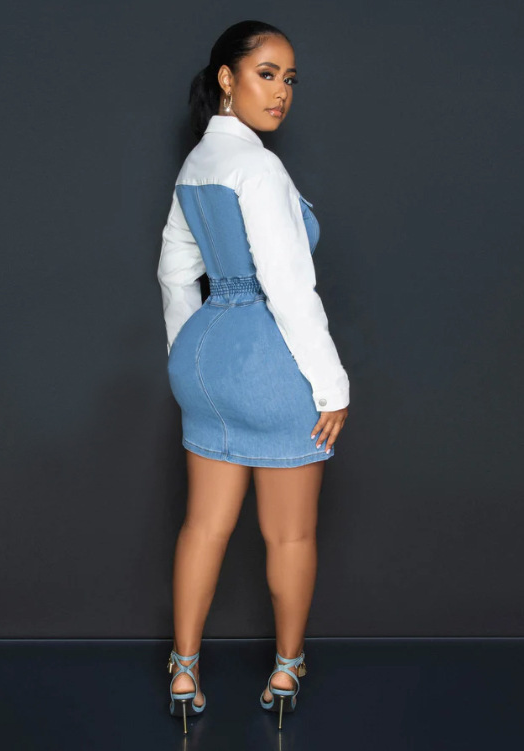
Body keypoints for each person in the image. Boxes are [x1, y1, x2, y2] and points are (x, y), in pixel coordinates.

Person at [157, 20, 350, 733]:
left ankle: (183, 669)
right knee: (289, 536)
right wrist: (331, 385)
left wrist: (189, 355)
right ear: (226, 78)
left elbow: (174, 272)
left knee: (203, 525)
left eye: (289, 78)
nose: (281, 91)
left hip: (205, 361)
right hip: (269, 364)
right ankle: (286, 668)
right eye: (266, 73)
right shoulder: (259, 168)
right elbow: (289, 287)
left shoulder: (196, 164)